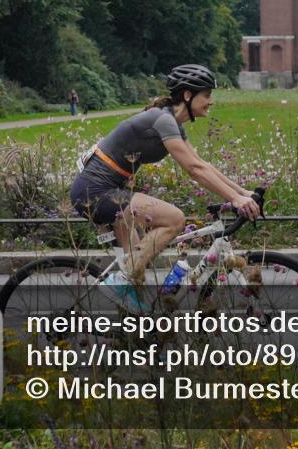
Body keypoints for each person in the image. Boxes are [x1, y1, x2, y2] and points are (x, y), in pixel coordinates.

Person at [69, 64, 261, 312]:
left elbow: (203, 164)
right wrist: (235, 200)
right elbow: (194, 170)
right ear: (188, 95)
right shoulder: (164, 120)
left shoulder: (172, 123)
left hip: (108, 192)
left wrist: (243, 194)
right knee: (174, 219)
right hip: (96, 192)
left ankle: (141, 339)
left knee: (136, 276)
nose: (211, 102)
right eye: (207, 95)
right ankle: (121, 282)